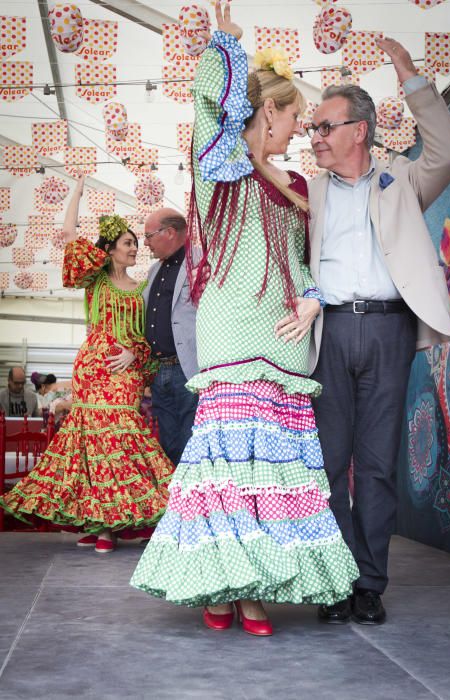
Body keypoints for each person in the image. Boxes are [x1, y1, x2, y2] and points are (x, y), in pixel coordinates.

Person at [131, 1, 358, 636]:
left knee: (275, 469)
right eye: (292, 117)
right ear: (268, 112)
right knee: (227, 465)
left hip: (284, 335)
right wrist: (224, 49)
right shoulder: (220, 171)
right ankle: (221, 582)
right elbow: (210, 114)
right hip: (231, 328)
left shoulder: (299, 187)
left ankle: (252, 586)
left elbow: (307, 259)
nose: (299, 130)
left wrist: (314, 295)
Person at [306, 38, 450, 625]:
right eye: (314, 126)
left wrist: (412, 78)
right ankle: (332, 578)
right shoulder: (307, 192)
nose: (315, 134)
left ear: (360, 131)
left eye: (326, 125)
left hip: (392, 331)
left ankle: (368, 583)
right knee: (327, 460)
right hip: (331, 332)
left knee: (374, 464)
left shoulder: (402, 177)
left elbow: (448, 147)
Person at [0, 175, 174, 553]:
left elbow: (148, 337)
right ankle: (102, 526)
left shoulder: (142, 287)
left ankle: (113, 525)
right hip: (93, 369)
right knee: (92, 445)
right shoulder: (93, 280)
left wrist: (134, 354)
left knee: (119, 440)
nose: (135, 249)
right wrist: (77, 191)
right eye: (128, 243)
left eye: (135, 243)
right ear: (110, 248)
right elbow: (67, 237)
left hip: (125, 372)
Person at [143, 209, 198, 466]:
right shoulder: (153, 270)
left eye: (148, 236)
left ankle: (192, 503)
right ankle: (173, 502)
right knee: (167, 443)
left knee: (191, 440)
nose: (145, 243)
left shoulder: (201, 260)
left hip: (187, 367)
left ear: (170, 232)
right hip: (159, 369)